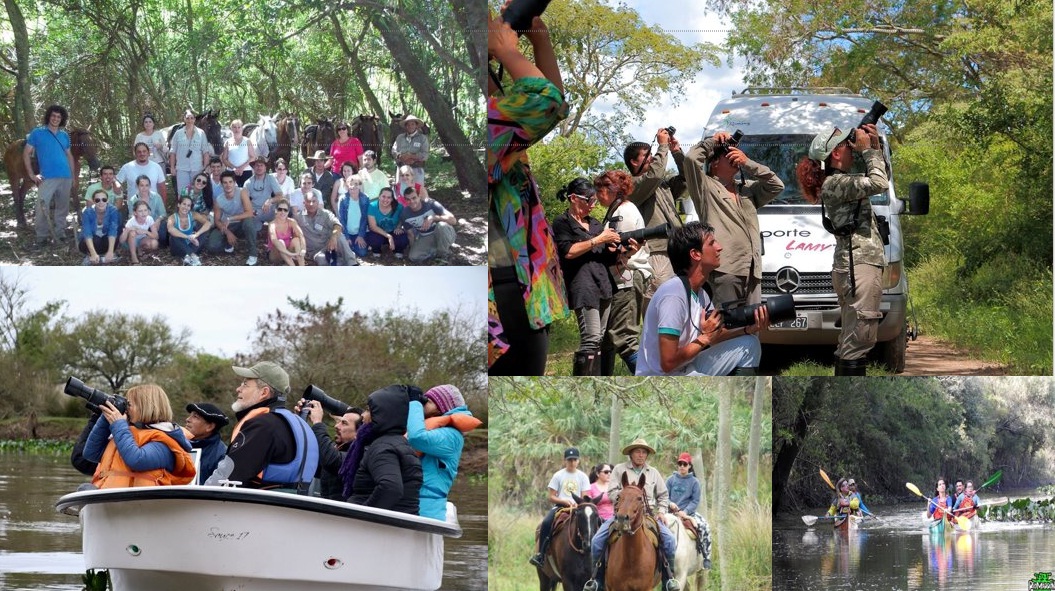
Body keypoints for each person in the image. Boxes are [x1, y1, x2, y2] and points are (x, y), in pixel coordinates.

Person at [487, 12, 568, 376]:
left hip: (520, 286)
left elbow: (555, 104)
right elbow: (545, 102)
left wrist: (539, 39)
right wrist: (507, 51)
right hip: (507, 296)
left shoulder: (497, 128)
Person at [795, 123, 889, 375]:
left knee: (852, 337)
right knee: (859, 339)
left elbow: (881, 178)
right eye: (848, 145)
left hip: (855, 264)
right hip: (859, 265)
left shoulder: (841, 182)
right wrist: (868, 151)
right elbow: (879, 183)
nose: (853, 147)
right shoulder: (836, 183)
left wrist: (875, 147)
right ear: (835, 153)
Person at [637, 222, 767, 376]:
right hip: (663, 376)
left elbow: (714, 336)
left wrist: (747, 330)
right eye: (712, 243)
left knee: (750, 343)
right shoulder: (673, 295)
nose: (719, 247)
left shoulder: (700, 293)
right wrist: (705, 337)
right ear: (695, 254)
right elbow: (667, 363)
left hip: (686, 366)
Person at [684, 131, 784, 307]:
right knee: (728, 322)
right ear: (714, 163)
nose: (733, 154)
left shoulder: (746, 189)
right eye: (727, 153)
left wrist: (748, 163)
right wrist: (713, 141)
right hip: (725, 269)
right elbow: (691, 159)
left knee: (752, 322)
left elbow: (777, 185)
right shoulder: (705, 186)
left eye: (735, 151)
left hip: (752, 270)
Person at [203, 361, 318, 493]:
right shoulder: (300, 425)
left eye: (245, 384)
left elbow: (227, 477)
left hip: (260, 503)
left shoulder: (263, 425)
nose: (238, 389)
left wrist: (199, 497)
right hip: (293, 502)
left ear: (264, 392)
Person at [586, 438, 679, 591]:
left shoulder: (653, 473)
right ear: (630, 453)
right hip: (621, 514)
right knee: (597, 541)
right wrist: (626, 498)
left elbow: (663, 495)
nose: (641, 455)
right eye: (637, 452)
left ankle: (668, 580)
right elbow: (611, 491)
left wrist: (662, 512)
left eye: (644, 452)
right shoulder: (619, 470)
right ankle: (597, 580)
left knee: (669, 540)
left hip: (647, 515)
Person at [551, 178, 621, 375]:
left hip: (604, 286)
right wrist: (599, 239)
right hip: (583, 287)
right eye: (589, 200)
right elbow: (568, 251)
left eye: (594, 201)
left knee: (600, 339)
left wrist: (624, 250)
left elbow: (607, 257)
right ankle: (582, 381)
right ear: (574, 198)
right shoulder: (562, 222)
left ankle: (598, 380)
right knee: (591, 338)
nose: (593, 205)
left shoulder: (596, 224)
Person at [83, 384, 196, 488]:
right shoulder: (126, 432)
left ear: (146, 407)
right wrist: (106, 417)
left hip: (143, 500)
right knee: (85, 488)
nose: (126, 409)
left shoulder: (165, 442)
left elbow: (137, 460)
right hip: (112, 497)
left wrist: (118, 424)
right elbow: (91, 453)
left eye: (129, 404)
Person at [594, 170, 651, 375]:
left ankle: (647, 376)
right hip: (622, 277)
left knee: (623, 336)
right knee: (607, 338)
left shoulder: (623, 212)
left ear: (612, 190)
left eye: (600, 190)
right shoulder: (617, 209)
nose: (597, 195)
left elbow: (621, 249)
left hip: (628, 276)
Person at [623, 129, 685, 309]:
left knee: (676, 306)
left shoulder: (660, 184)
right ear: (634, 162)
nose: (652, 158)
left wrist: (676, 152)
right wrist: (662, 146)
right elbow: (655, 174)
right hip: (656, 253)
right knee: (661, 306)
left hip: (675, 251)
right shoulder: (633, 186)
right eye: (647, 155)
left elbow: (687, 178)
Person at [407, 384, 482, 521]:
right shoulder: (425, 426)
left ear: (442, 407)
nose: (423, 403)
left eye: (428, 401)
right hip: (410, 501)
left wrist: (414, 402)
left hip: (426, 508)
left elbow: (417, 438)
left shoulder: (452, 436)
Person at [343, 385, 422, 514]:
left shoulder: (383, 447)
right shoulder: (398, 443)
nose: (362, 415)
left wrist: (363, 516)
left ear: (380, 415)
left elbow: (390, 488)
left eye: (368, 410)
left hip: (372, 525)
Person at [529, 447, 591, 568]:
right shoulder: (558, 475)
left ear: (578, 461)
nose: (572, 462)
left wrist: (578, 504)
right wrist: (564, 501)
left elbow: (585, 496)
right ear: (565, 461)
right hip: (560, 507)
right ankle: (540, 554)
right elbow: (551, 496)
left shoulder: (583, 476)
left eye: (574, 460)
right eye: (569, 460)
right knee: (546, 523)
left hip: (578, 507)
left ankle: (595, 553)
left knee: (592, 522)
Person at [24, 104, 76, 246]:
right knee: (42, 207)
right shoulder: (37, 132)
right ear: (49, 116)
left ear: (62, 119)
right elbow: (26, 153)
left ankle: (60, 233)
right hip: (47, 177)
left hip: (65, 176)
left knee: (62, 207)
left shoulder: (64, 135)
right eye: (53, 115)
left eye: (59, 117)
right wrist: (32, 175)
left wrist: (73, 177)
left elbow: (69, 156)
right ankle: (41, 236)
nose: (56, 119)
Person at [295, 398, 362, 501]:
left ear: (359, 433)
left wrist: (317, 422)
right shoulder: (337, 451)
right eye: (339, 422)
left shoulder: (360, 455)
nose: (336, 426)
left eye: (344, 423)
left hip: (342, 510)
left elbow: (331, 460)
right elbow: (307, 463)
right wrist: (301, 421)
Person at [294, 178, 358, 266]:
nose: (311, 204)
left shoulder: (326, 214)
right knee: (322, 260)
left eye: (314, 201)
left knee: (339, 236)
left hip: (329, 245)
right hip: (315, 252)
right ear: (304, 203)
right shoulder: (298, 217)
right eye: (308, 202)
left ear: (318, 202)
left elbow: (337, 225)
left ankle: (352, 263)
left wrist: (333, 237)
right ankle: (342, 260)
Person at [666, 452, 712, 569]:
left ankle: (706, 557)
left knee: (704, 526)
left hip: (688, 513)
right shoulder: (670, 480)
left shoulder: (695, 482)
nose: (682, 466)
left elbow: (695, 501)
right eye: (680, 463)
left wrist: (685, 512)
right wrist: (670, 503)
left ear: (689, 466)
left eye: (685, 464)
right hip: (670, 513)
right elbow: (664, 496)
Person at [207, 170, 261, 266]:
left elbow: (249, 213)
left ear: (234, 182)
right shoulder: (218, 200)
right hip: (227, 226)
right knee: (212, 247)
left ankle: (253, 254)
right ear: (221, 184)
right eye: (225, 182)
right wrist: (228, 233)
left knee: (249, 222)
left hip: (241, 223)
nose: (228, 185)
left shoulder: (242, 192)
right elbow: (217, 221)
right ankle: (229, 242)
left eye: (230, 182)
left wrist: (230, 218)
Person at [399, 186, 457, 264]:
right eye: (408, 199)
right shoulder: (405, 214)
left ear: (419, 196)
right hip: (426, 236)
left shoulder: (431, 204)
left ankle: (443, 255)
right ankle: (437, 250)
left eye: (414, 198)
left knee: (441, 225)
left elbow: (453, 220)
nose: (411, 201)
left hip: (443, 232)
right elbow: (410, 235)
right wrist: (413, 248)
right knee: (413, 257)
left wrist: (434, 217)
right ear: (405, 200)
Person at [183, 402, 229, 483]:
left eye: (195, 417)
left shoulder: (222, 456)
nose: (188, 419)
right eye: (190, 415)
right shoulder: (178, 446)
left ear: (209, 427)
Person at [117, 143, 167, 217]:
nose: (142, 154)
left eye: (144, 151)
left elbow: (163, 188)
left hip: (153, 209)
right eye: (139, 152)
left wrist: (163, 206)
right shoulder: (127, 167)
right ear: (135, 153)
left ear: (148, 153)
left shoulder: (156, 167)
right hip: (134, 209)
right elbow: (117, 183)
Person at [169, 109, 212, 194]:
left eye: (192, 118)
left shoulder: (201, 133)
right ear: (184, 119)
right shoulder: (178, 133)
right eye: (187, 118)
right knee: (183, 192)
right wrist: (172, 167)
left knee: (197, 192)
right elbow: (173, 152)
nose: (190, 120)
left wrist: (205, 168)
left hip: (197, 168)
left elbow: (205, 152)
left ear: (195, 119)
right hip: (182, 169)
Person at [167, 194, 212, 265]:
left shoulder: (193, 215)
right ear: (179, 205)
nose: (186, 207)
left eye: (188, 205)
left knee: (204, 232)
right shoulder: (172, 218)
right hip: (178, 248)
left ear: (190, 207)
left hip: (192, 245)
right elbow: (170, 229)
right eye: (184, 204)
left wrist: (196, 235)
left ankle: (188, 257)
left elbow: (208, 223)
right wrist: (188, 237)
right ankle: (192, 255)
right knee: (173, 235)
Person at [78, 188, 120, 264]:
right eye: (97, 200)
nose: (101, 202)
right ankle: (91, 256)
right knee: (95, 240)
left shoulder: (113, 210)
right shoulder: (87, 212)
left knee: (116, 235)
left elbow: (112, 231)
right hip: (93, 241)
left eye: (104, 199)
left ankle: (108, 255)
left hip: (105, 239)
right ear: (94, 201)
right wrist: (93, 253)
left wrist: (110, 251)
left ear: (107, 200)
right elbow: (87, 233)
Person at [365, 186, 408, 258]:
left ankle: (398, 250)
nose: (385, 199)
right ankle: (376, 250)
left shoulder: (398, 206)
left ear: (392, 199)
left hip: (393, 231)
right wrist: (389, 236)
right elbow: (373, 226)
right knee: (373, 239)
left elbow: (402, 219)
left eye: (389, 197)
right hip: (379, 232)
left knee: (403, 239)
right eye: (383, 196)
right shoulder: (372, 206)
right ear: (379, 197)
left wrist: (399, 227)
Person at [243, 156, 284, 225]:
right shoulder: (248, 182)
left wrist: (269, 201)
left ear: (265, 168)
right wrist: (250, 210)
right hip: (255, 212)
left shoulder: (271, 179)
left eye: (261, 165)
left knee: (283, 210)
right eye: (257, 165)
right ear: (253, 167)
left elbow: (280, 196)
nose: (259, 167)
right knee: (248, 223)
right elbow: (244, 201)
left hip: (269, 210)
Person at [337, 175, 370, 259]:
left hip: (359, 232)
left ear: (360, 185)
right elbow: (341, 219)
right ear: (347, 186)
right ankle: (349, 247)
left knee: (362, 252)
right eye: (351, 184)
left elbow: (365, 219)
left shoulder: (365, 198)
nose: (353, 186)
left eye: (356, 184)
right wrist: (346, 237)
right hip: (346, 232)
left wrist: (361, 235)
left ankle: (352, 247)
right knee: (343, 251)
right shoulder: (343, 199)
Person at [268, 198, 306, 266]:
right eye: (280, 209)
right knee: (280, 242)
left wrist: (303, 249)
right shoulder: (272, 224)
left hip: (288, 252)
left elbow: (301, 235)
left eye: (285, 210)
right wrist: (289, 254)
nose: (283, 212)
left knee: (296, 240)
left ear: (288, 212)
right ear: (276, 210)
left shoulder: (291, 222)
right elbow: (274, 240)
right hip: (276, 254)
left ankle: (302, 266)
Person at [391, 114, 429, 184]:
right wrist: (400, 156)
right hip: (402, 169)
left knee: (417, 189)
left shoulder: (422, 138)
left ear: (416, 126)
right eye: (408, 124)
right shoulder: (400, 137)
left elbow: (425, 155)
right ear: (405, 126)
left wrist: (411, 156)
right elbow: (393, 151)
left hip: (417, 169)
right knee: (400, 189)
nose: (410, 126)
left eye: (412, 124)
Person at [120, 200, 158, 265]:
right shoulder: (131, 222)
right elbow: (121, 241)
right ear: (135, 213)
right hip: (130, 243)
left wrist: (146, 231)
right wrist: (128, 230)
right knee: (132, 233)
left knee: (154, 243)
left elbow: (156, 236)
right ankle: (133, 255)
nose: (143, 213)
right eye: (140, 211)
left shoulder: (149, 219)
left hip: (141, 240)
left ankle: (140, 250)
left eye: (145, 210)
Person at [222, 119, 256, 185]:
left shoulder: (247, 141)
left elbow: (253, 157)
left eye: (239, 127)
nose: (237, 129)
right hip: (231, 172)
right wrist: (234, 168)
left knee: (245, 190)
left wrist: (242, 168)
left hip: (246, 171)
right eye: (234, 127)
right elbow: (224, 159)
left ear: (242, 128)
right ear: (231, 128)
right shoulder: (227, 142)